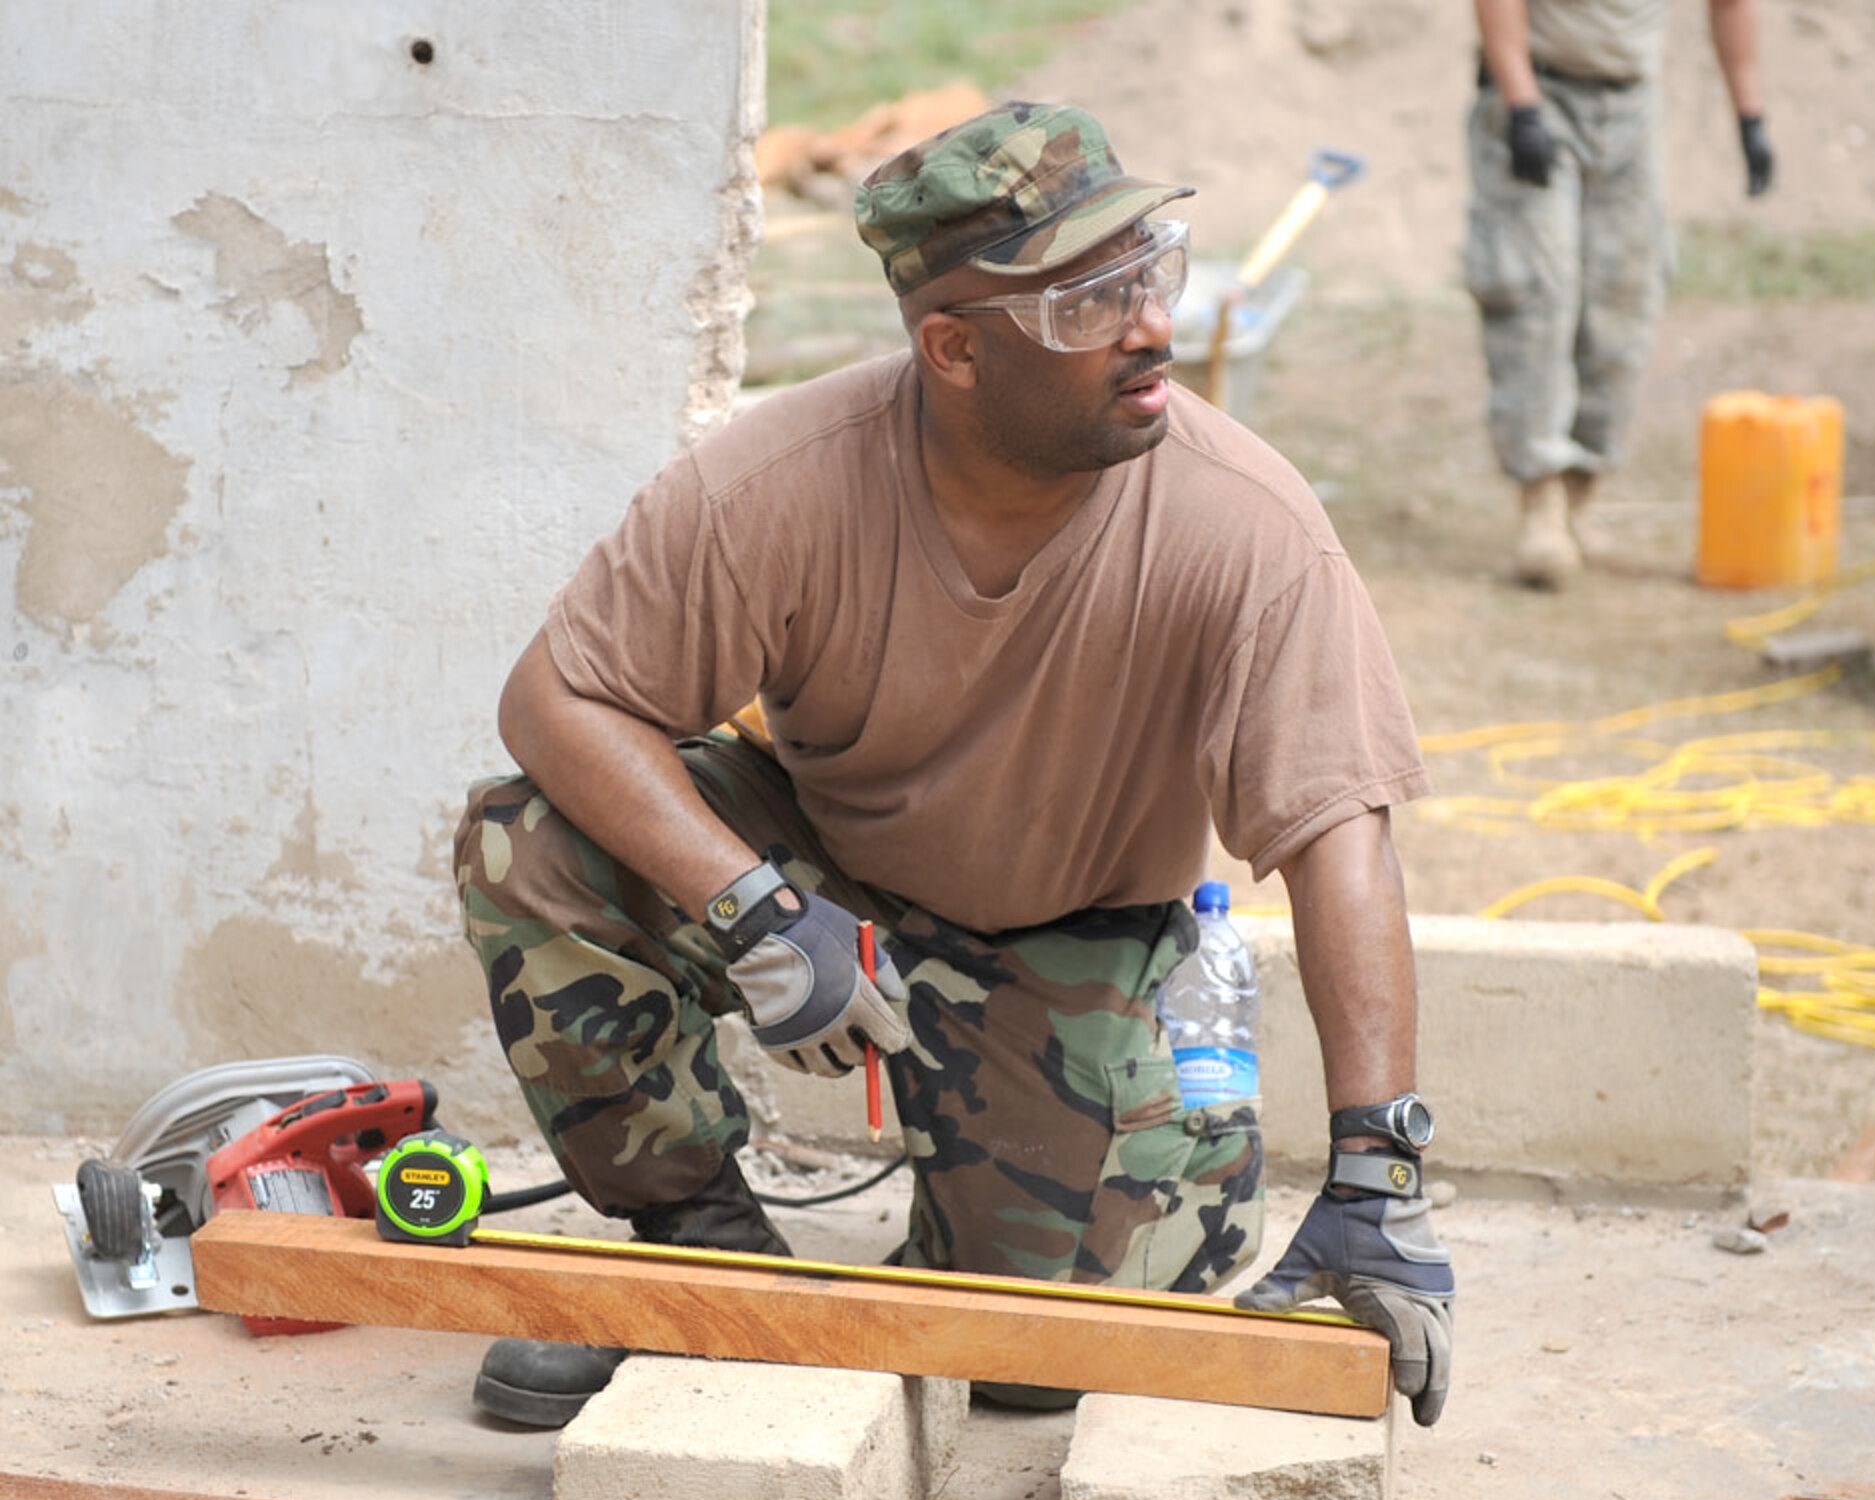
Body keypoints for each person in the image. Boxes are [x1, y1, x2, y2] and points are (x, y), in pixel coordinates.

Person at [453, 101, 1454, 1430]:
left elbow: (1340, 834)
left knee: (1023, 1366)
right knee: (529, 839)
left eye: (1150, 269)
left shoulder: (1242, 526)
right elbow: (556, 696)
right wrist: (755, 908)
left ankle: (1152, 1187)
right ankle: (710, 1268)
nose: (1150, 324)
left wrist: (1380, 1171)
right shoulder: (786, 482)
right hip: (829, 886)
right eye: (1087, 301)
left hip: (1070, 943)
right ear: (954, 349)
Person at [1467, 0, 1774, 588]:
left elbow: (1730, 5)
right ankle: (1541, 506)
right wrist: (1522, 104)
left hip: (1631, 105)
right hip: (1539, 90)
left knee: (1626, 298)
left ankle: (1579, 494)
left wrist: (1750, 116)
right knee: (1536, 293)